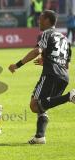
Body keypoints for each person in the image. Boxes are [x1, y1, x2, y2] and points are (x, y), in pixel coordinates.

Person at [9, 10, 74, 144]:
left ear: (47, 20)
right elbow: (66, 65)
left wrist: (17, 65)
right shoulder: (65, 39)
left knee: (34, 105)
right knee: (42, 105)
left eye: (41, 19)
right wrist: (46, 60)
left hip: (51, 74)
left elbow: (36, 51)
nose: (38, 21)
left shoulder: (46, 33)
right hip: (63, 77)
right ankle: (40, 136)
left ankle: (69, 96)